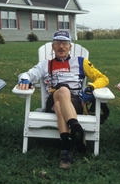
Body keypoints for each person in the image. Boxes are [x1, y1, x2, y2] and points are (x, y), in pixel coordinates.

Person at [17, 31, 109, 169]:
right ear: (53, 47)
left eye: (65, 43)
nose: (61, 46)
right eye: (58, 43)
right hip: (52, 101)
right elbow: (28, 74)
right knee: (63, 91)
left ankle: (66, 149)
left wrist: (92, 86)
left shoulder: (81, 62)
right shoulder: (45, 64)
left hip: (74, 103)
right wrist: (24, 79)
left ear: (70, 46)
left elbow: (103, 78)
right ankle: (76, 128)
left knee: (61, 105)